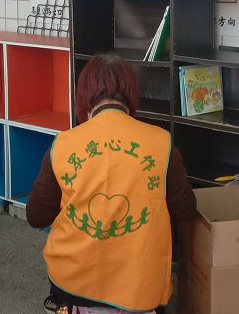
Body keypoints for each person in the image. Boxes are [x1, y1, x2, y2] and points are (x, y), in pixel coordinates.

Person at [27, 53, 197, 314]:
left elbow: (36, 216)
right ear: (131, 95)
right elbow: (185, 209)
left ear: (84, 96)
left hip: (74, 282)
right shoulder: (162, 143)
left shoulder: (63, 144)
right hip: (142, 287)